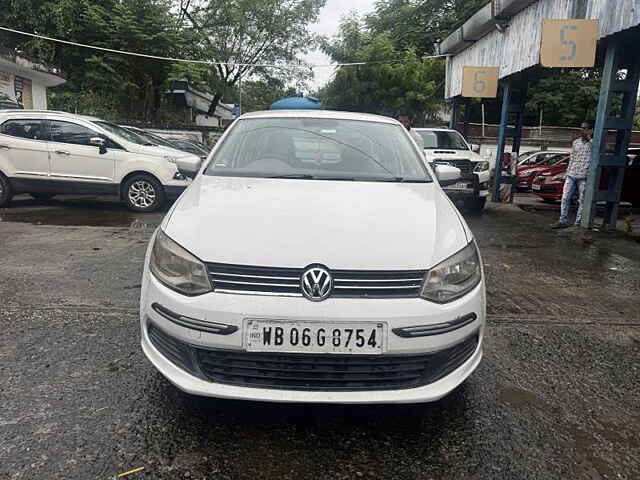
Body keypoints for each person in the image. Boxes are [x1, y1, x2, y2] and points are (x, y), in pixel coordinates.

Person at [551, 120, 593, 229]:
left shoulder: (594, 143)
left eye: (585, 128)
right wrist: (567, 172)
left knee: (582, 200)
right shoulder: (576, 142)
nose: (582, 130)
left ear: (591, 130)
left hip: (584, 176)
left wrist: (590, 139)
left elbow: (601, 152)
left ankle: (578, 223)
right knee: (565, 197)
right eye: (582, 128)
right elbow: (572, 158)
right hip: (572, 173)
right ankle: (563, 220)